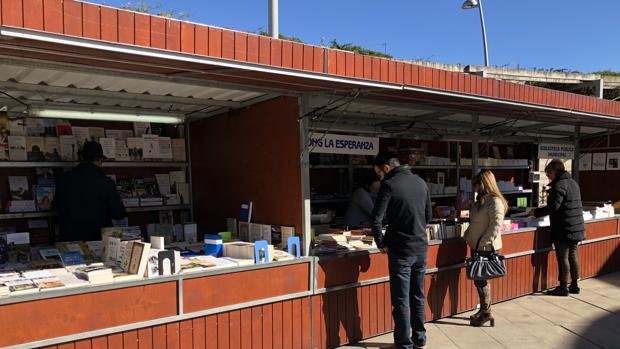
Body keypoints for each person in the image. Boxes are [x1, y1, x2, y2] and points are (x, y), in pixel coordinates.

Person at [371, 151, 432, 349]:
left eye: (379, 173)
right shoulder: (421, 182)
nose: (379, 177)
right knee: (418, 295)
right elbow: (428, 215)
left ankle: (404, 344)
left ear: (387, 168)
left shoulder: (389, 185)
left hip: (400, 251)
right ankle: (420, 338)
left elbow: (376, 219)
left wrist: (381, 242)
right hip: (421, 247)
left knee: (401, 299)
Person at [530, 159, 585, 296]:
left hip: (564, 228)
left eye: (549, 173)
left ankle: (563, 287)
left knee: (563, 257)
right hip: (575, 227)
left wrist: (535, 213)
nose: (548, 176)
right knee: (573, 255)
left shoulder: (559, 185)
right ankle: (575, 285)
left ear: (555, 171)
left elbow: (553, 207)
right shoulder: (573, 183)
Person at [463, 170, 508, 327]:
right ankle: (484, 310)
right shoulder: (481, 201)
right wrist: (468, 235)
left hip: (487, 247)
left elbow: (496, 225)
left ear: (484, 184)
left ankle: (486, 313)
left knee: (482, 280)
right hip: (477, 246)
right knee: (479, 280)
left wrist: (483, 243)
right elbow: (475, 222)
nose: (474, 188)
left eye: (476, 184)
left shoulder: (494, 202)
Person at [56, 141, 126, 241]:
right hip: (97, 240)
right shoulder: (106, 183)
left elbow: (57, 206)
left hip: (70, 240)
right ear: (100, 160)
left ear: (82, 158)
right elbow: (118, 214)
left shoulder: (64, 179)